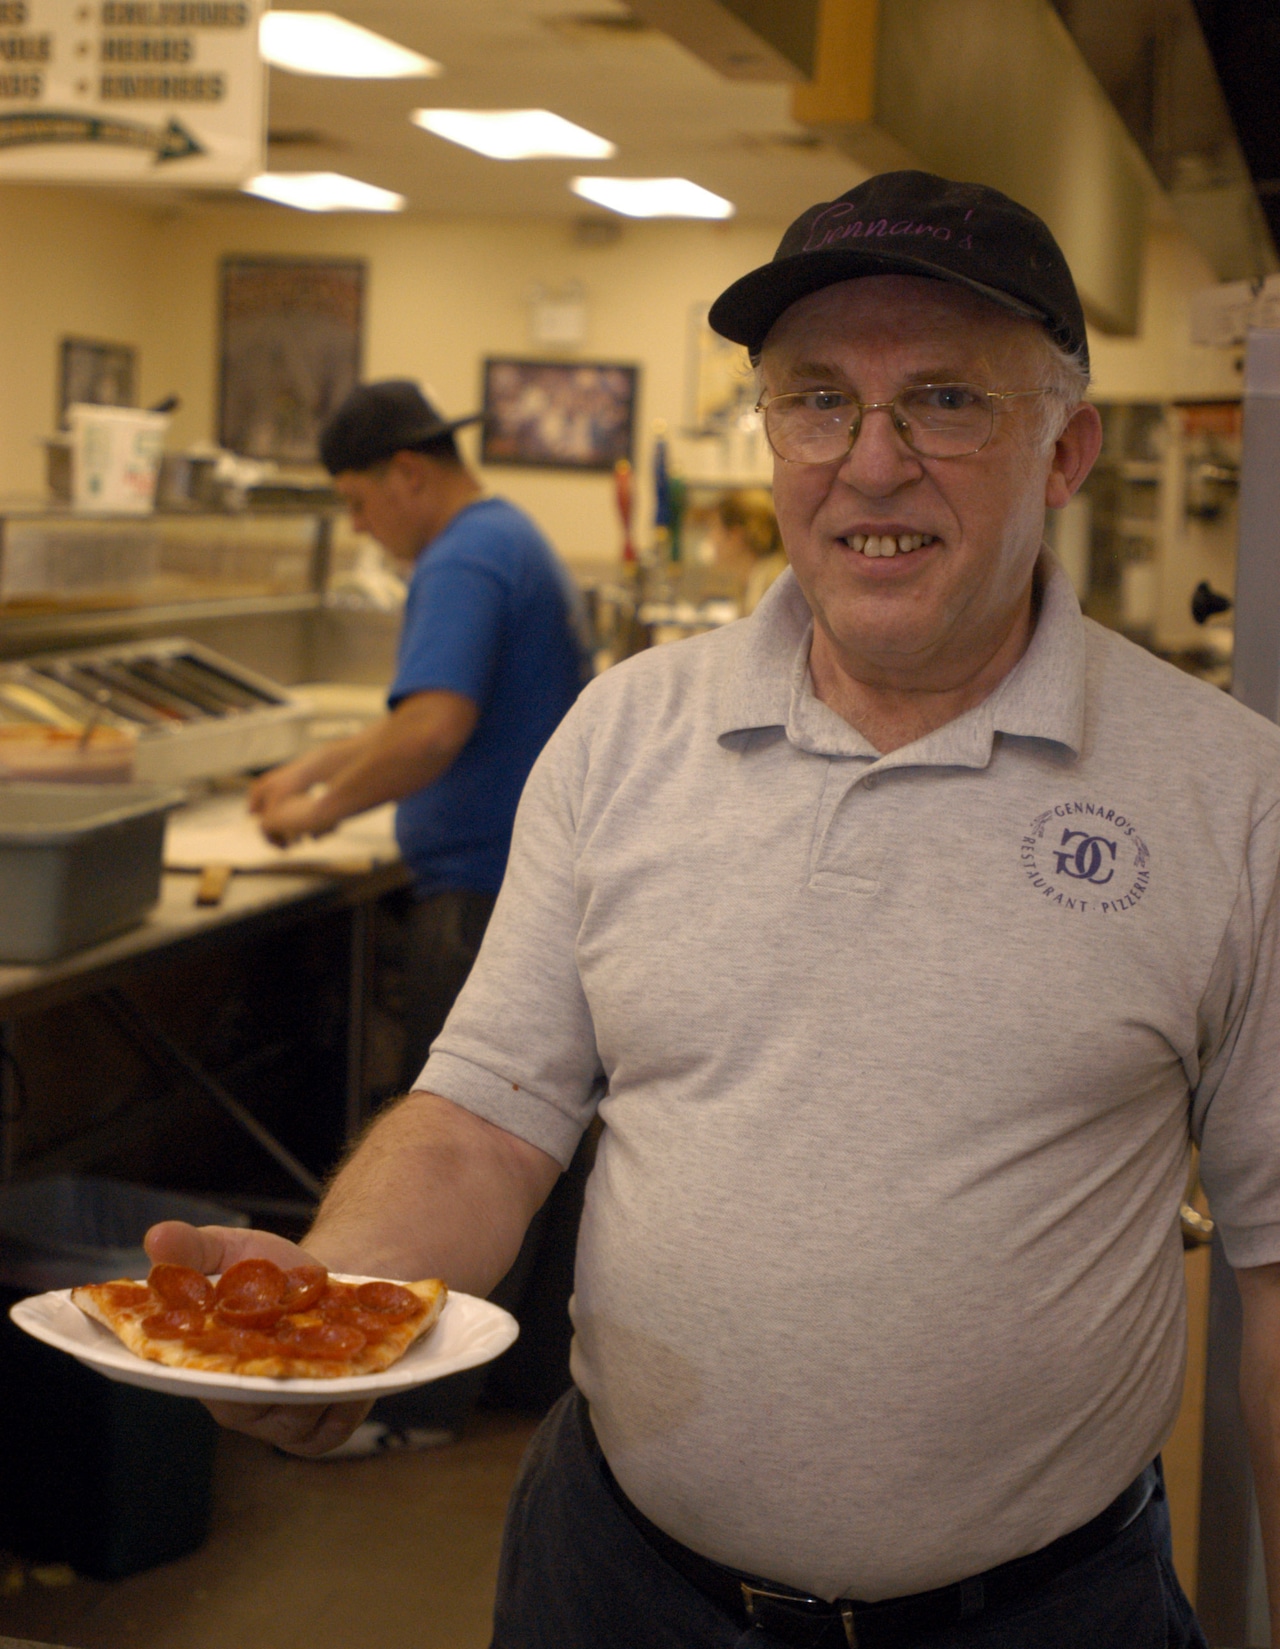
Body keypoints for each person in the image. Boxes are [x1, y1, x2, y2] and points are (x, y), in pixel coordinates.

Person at [148, 172, 1280, 1648]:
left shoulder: (1229, 793)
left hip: (1047, 1614)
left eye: (943, 400)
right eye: (816, 401)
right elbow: (483, 1119)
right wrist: (332, 1312)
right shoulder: (626, 739)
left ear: (1066, 447)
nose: (870, 465)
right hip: (617, 1591)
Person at [246, 379, 590, 1448]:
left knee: (459, 1144)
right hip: (508, 880)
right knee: (540, 1151)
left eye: (355, 502)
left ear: (405, 473)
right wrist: (313, 763)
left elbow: (433, 729)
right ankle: (520, 1379)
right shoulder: (503, 537)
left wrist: (316, 809)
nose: (358, 527)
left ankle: (414, 1405)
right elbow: (416, 716)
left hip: (482, 895)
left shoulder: (460, 555)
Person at [708, 486, 788, 614]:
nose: (711, 538)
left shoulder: (773, 582)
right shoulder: (755, 578)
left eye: (715, 528)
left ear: (735, 536)